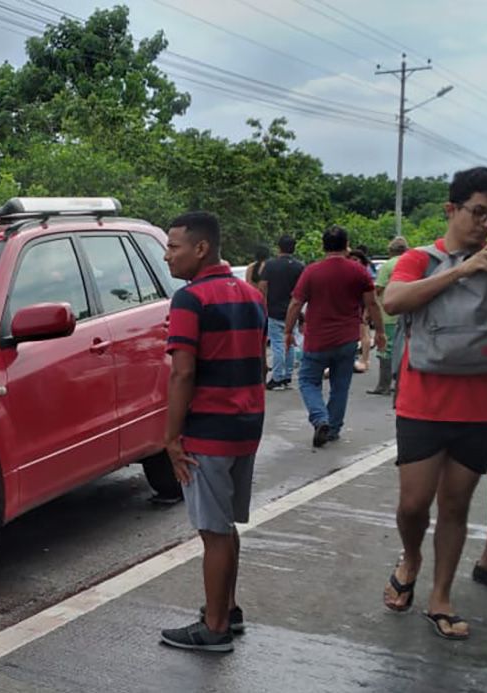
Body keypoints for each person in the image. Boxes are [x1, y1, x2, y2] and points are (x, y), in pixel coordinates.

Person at [381, 166, 487, 640]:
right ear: (452, 209)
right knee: (413, 504)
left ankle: (440, 596)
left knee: (455, 506)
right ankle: (411, 557)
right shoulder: (421, 260)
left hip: (478, 406)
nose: (484, 224)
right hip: (422, 403)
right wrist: (462, 269)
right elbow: (393, 301)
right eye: (478, 213)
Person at [160, 211, 266, 653]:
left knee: (213, 531)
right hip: (246, 423)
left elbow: (182, 373)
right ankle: (228, 609)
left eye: (173, 247)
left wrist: (170, 438)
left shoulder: (190, 300)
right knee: (225, 525)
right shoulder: (250, 294)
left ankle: (215, 627)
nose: (167, 256)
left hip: (209, 429)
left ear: (200, 249)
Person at [283, 226, 386, 448]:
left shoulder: (312, 271)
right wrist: (381, 332)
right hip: (347, 339)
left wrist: (288, 331)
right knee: (340, 386)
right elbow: (372, 303)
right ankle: (333, 429)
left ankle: (320, 418)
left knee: (308, 381)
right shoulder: (358, 271)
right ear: (346, 245)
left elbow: (296, 303)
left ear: (323, 246)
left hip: (317, 339)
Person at [259, 235, 304, 390]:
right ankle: (287, 377)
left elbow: (263, 286)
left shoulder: (270, 265)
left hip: (274, 310)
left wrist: (263, 306)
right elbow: (301, 290)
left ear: (279, 248)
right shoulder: (299, 266)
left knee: (277, 345)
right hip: (292, 310)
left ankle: (277, 378)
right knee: (289, 343)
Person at [367, 237, 409, 395]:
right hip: (408, 313)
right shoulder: (411, 263)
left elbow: (378, 289)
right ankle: (401, 384)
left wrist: (368, 310)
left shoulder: (388, 266)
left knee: (385, 348)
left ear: (390, 251)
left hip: (389, 314)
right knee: (404, 349)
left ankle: (383, 385)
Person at [348, 249, 374, 374]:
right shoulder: (351, 273)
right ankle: (358, 360)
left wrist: (367, 311)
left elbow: (370, 297)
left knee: (364, 334)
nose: (353, 262)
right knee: (358, 335)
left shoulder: (364, 274)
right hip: (353, 307)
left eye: (356, 259)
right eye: (351, 259)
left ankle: (365, 360)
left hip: (362, 306)